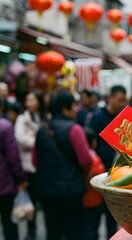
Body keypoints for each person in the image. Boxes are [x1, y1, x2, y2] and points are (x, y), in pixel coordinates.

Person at [34, 90, 92, 240]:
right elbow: (86, 160)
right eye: (73, 105)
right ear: (64, 108)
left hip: (47, 192)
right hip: (71, 191)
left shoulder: (41, 130)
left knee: (53, 232)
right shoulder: (75, 129)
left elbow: (35, 161)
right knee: (74, 233)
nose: (76, 108)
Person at [89, 85, 127, 238]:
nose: (122, 104)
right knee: (97, 214)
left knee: (113, 215)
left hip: (116, 173)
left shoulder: (123, 118)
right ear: (109, 98)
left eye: (124, 100)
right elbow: (92, 143)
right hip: (100, 170)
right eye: (119, 100)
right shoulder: (98, 117)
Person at [14, 91, 46, 240]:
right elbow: (20, 139)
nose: (29, 103)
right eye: (27, 100)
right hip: (28, 165)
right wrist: (38, 140)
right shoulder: (22, 119)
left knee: (44, 199)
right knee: (31, 199)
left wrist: (35, 137)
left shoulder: (44, 117)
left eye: (32, 99)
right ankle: (31, 231)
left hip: (43, 163)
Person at [0, 96, 28, 240]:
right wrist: (21, 179)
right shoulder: (4, 126)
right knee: (9, 222)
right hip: (3, 183)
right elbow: (13, 157)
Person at [82, 127, 105, 240]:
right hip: (93, 200)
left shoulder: (77, 156)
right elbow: (99, 176)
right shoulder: (93, 158)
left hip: (82, 200)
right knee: (92, 230)